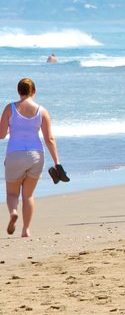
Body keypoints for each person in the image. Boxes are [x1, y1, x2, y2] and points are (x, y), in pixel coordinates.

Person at [1, 78, 64, 237]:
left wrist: (10, 131)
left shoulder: (10, 108)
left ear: (18, 91)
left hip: (15, 154)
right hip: (36, 155)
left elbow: (1, 135)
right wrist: (57, 162)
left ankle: (13, 212)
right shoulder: (42, 111)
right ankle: (26, 230)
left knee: (12, 194)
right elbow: (49, 138)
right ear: (34, 91)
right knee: (28, 195)